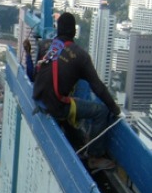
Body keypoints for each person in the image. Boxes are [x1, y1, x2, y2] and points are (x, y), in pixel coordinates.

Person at [30, 12, 121, 171]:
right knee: (101, 111)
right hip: (56, 106)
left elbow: (37, 73)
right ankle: (95, 156)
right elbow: (97, 86)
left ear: (58, 30)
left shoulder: (45, 45)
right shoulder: (80, 55)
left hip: (38, 98)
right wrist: (114, 108)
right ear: (74, 32)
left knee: (68, 99)